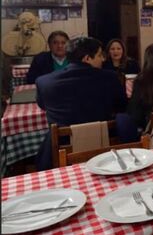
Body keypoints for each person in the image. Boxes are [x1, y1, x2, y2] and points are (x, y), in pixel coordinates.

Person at [35, 37, 127, 170]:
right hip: (104, 140)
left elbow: (43, 105)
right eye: (100, 55)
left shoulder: (44, 82)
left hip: (63, 144)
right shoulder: (110, 78)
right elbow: (121, 106)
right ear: (87, 58)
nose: (103, 59)